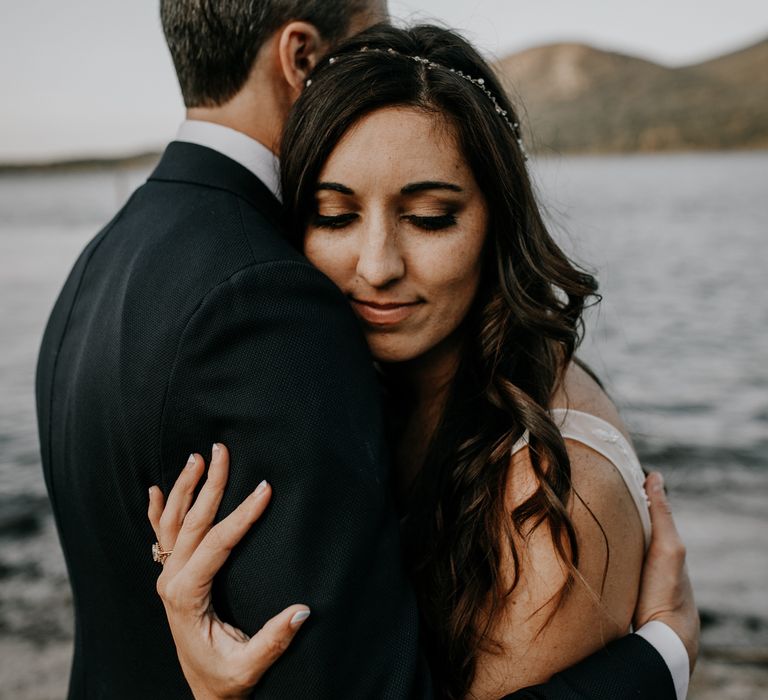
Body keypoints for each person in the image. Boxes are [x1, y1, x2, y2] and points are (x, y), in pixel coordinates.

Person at [33, 2, 695, 697]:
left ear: (498, 220)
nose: (376, 265)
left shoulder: (555, 488)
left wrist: (662, 658)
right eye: (334, 215)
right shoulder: (337, 362)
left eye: (431, 218)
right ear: (300, 56)